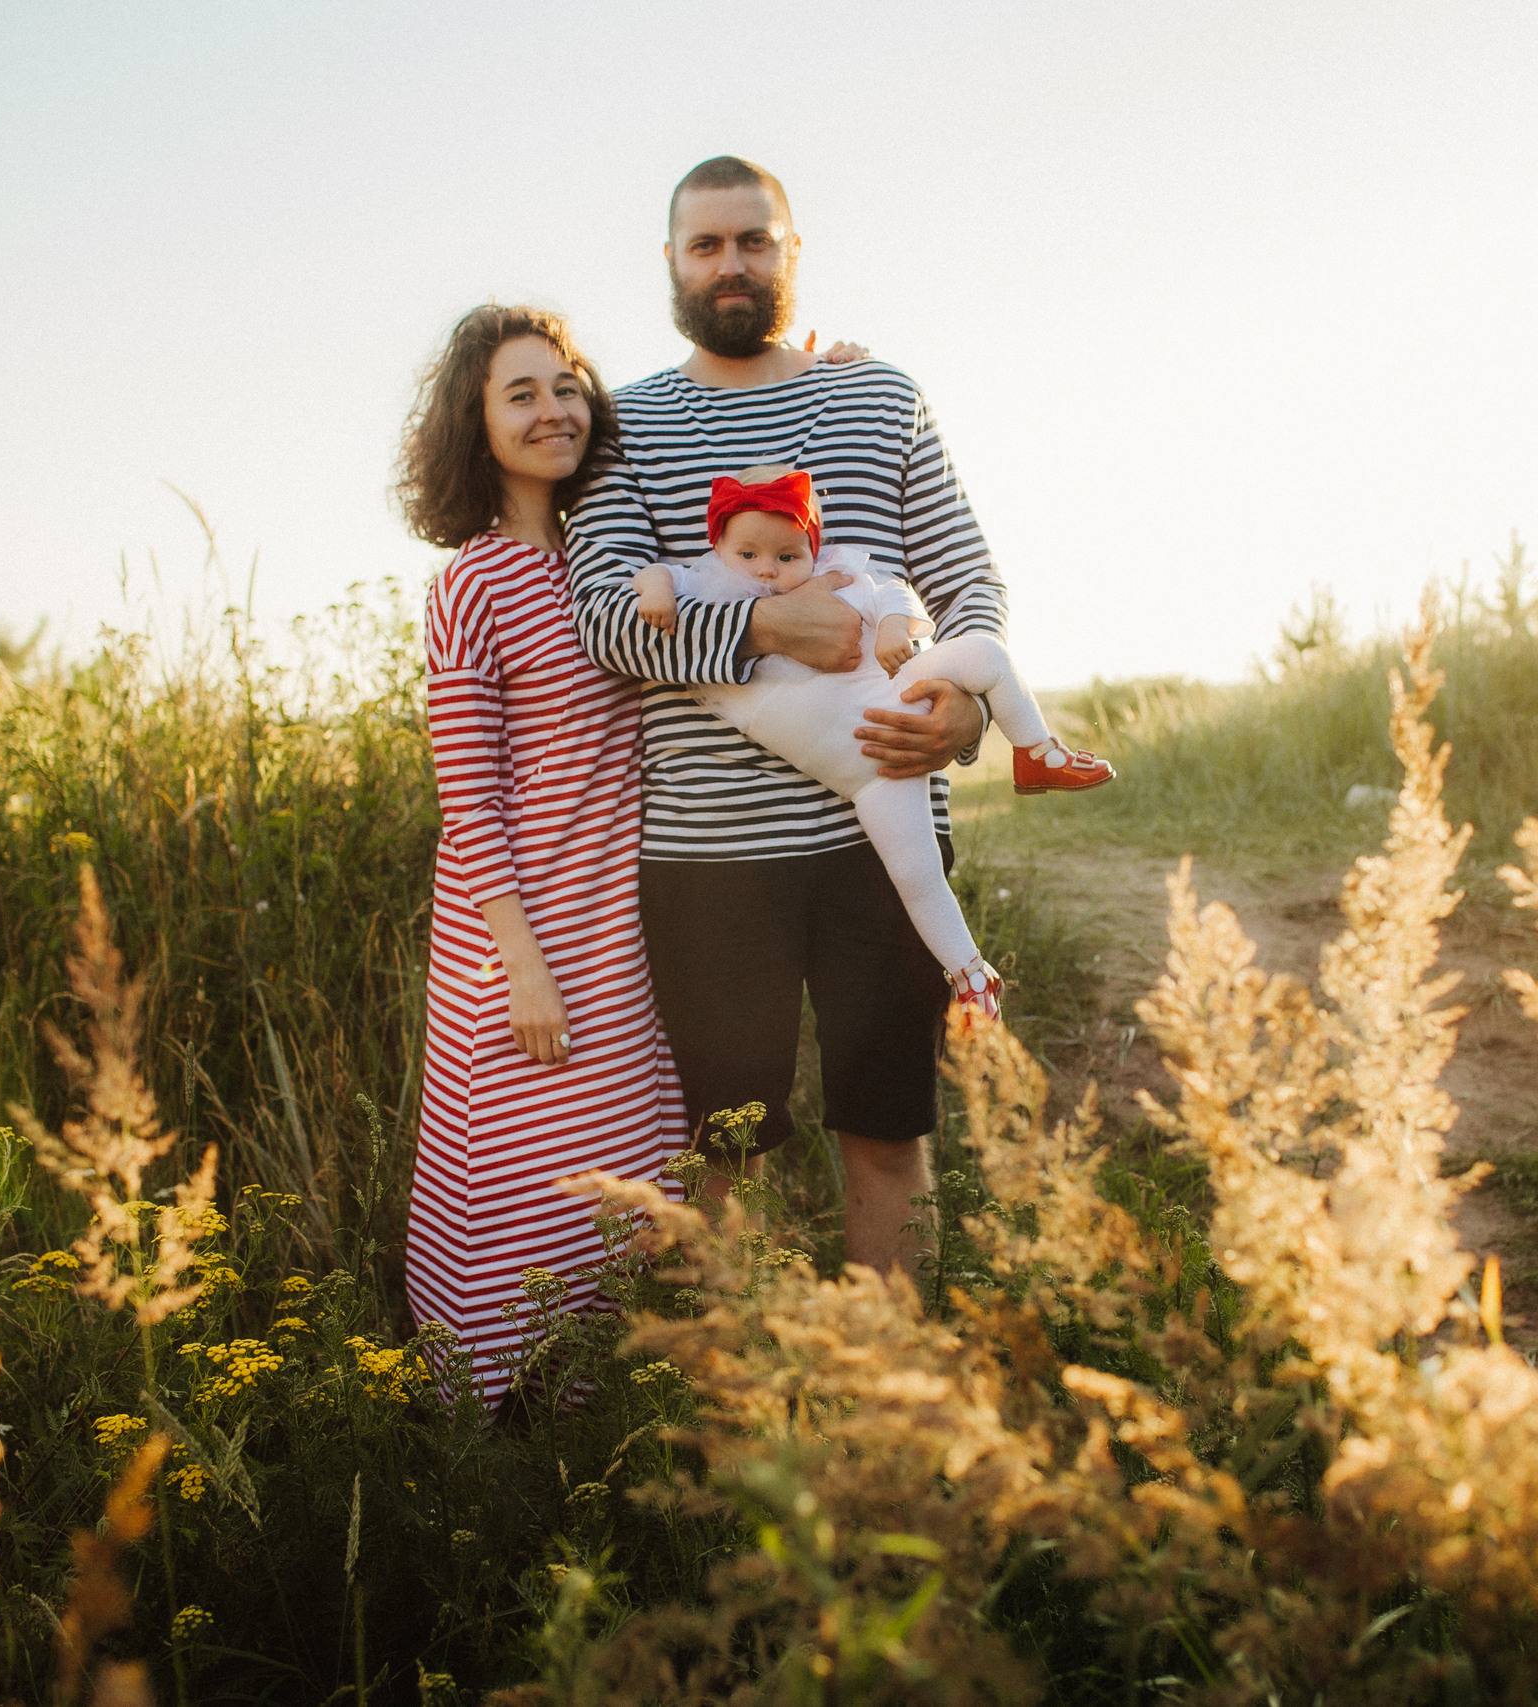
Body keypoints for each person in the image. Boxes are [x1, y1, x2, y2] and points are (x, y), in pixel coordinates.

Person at [565, 153, 1023, 1276]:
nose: (731, 264)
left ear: (792, 251)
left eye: (753, 240)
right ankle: (737, 1389)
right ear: (671, 261)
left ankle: (890, 1388)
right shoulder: (622, 427)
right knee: (726, 1155)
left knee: (888, 1136)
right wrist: (770, 627)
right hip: (709, 856)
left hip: (883, 835)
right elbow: (604, 621)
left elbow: (968, 580)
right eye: (706, 244)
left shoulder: (881, 397)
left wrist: (965, 706)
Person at [393, 304, 687, 1403]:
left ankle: (595, 1406)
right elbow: (468, 803)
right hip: (522, 932)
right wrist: (521, 964)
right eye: (520, 394)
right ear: (474, 423)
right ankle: (479, 1415)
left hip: (625, 924)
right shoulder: (470, 584)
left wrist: (816, 360)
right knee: (519, 1173)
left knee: (628, 1163)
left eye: (567, 388)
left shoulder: (616, 563)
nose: (554, 410)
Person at [630, 462, 1115, 1018]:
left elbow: (894, 593)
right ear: (719, 546)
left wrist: (890, 627)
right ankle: (970, 973)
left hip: (898, 698)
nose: (767, 570)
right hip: (866, 774)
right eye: (748, 554)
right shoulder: (705, 584)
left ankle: (1036, 753)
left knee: (985, 655)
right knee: (914, 873)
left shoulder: (834, 575)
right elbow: (653, 573)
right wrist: (656, 591)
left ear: (812, 550)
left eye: (788, 556)